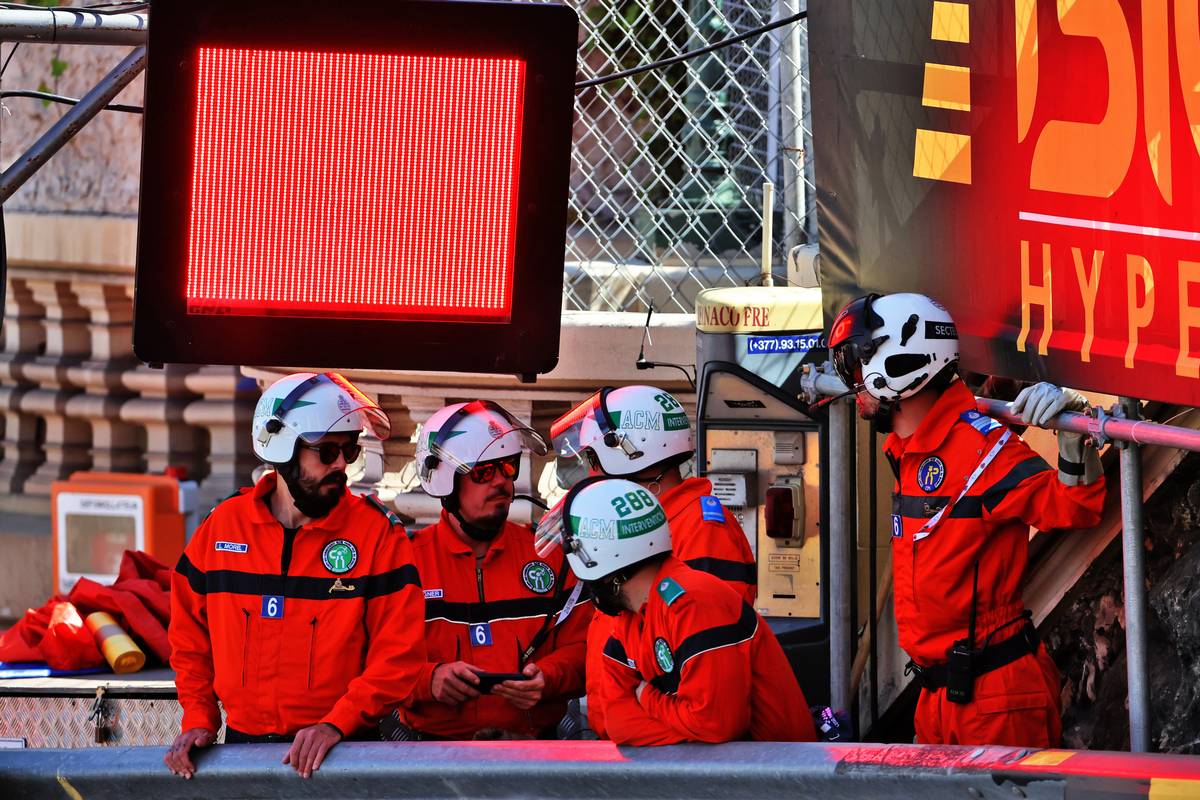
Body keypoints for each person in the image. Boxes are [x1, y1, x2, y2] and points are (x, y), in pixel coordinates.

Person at [828, 292, 1106, 747]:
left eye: (858, 367)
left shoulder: (983, 449)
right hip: (940, 693)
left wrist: (1073, 431)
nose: (852, 384)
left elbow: (1075, 507)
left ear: (900, 365)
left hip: (996, 697)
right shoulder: (911, 449)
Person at [166, 372, 425, 779]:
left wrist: (337, 723)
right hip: (241, 748)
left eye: (350, 450)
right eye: (327, 451)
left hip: (342, 753)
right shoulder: (222, 528)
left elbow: (399, 654)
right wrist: (199, 718)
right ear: (282, 449)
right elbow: (188, 639)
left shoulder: (378, 534)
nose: (341, 464)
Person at [534, 476, 816, 744]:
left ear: (599, 555)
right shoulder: (627, 620)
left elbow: (715, 723)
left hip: (777, 772)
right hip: (724, 771)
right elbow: (618, 723)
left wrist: (646, 698)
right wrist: (683, 719)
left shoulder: (696, 604)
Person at [550, 385, 757, 737]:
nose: (592, 474)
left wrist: (636, 707)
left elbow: (702, 662)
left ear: (628, 455)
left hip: (676, 741)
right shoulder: (655, 523)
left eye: (594, 460)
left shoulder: (702, 528)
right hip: (640, 735)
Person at [385, 400, 589, 740]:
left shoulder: (550, 555)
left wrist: (549, 677)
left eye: (508, 467)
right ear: (444, 482)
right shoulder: (404, 562)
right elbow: (370, 661)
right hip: (430, 755)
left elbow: (589, 647)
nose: (501, 483)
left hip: (536, 753)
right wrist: (427, 681)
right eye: (483, 472)